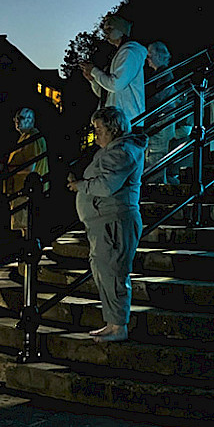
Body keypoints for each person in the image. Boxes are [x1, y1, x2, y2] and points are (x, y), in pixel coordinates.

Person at [67, 106, 146, 343]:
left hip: (114, 222)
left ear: (114, 128)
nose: (96, 134)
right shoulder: (113, 150)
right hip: (104, 222)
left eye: (99, 129)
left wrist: (81, 186)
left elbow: (106, 185)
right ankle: (112, 323)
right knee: (105, 273)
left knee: (113, 273)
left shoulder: (123, 152)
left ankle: (118, 326)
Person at [79, 15, 147, 123]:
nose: (106, 33)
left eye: (110, 28)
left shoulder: (130, 52)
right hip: (116, 120)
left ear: (122, 31)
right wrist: (93, 80)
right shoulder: (118, 54)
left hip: (128, 120)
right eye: (105, 30)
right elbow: (105, 93)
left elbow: (115, 85)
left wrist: (94, 70)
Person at [2, 108, 49, 237]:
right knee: (23, 226)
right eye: (16, 118)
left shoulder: (32, 137)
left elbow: (29, 168)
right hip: (22, 191)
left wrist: (7, 169)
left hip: (25, 192)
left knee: (24, 228)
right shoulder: (25, 137)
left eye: (21, 118)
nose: (17, 121)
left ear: (31, 120)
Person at [144, 41, 178, 184]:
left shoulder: (163, 75)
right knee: (155, 156)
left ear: (158, 56)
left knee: (155, 156)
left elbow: (159, 98)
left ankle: (156, 187)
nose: (147, 59)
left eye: (150, 55)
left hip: (160, 122)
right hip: (161, 122)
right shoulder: (162, 74)